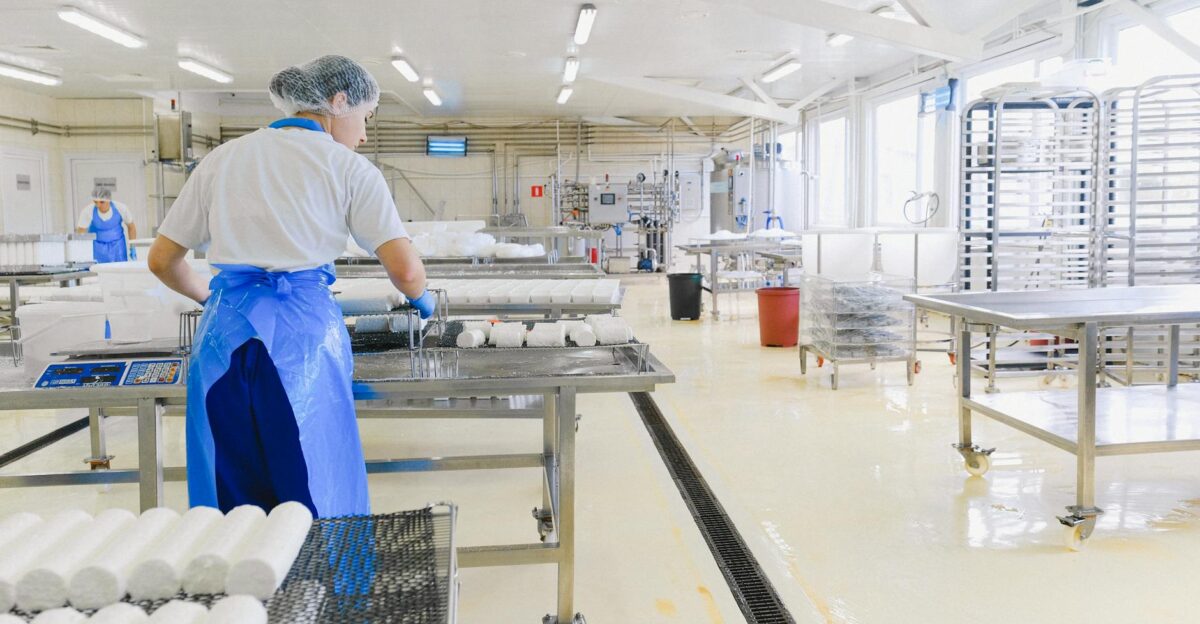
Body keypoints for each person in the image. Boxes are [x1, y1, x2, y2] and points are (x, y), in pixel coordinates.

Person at [147, 55, 433, 518]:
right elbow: (406, 272)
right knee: (313, 480)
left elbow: (161, 260)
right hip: (304, 343)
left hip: (224, 340)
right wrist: (425, 301)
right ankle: (325, 586)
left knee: (230, 489)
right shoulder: (349, 168)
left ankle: (238, 586)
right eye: (365, 118)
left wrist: (213, 298)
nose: (363, 134)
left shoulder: (222, 159)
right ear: (339, 103)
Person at [76, 186, 136, 263]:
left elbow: (131, 227)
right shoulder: (88, 211)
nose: (98, 205)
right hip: (97, 248)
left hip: (118, 247)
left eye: (102, 202)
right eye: (95, 202)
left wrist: (132, 247)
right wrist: (81, 252)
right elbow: (81, 233)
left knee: (119, 271)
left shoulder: (121, 208)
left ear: (108, 200)